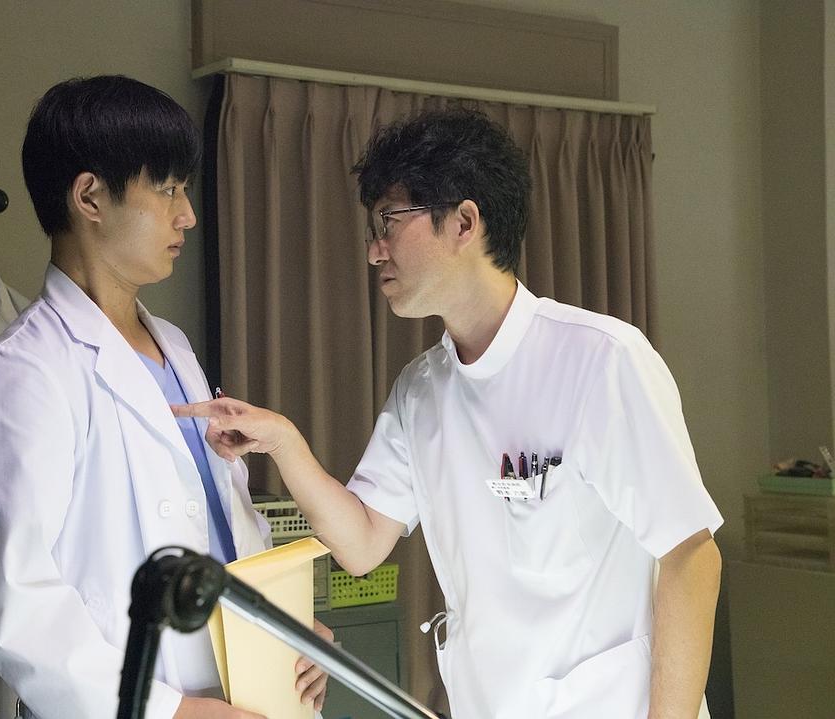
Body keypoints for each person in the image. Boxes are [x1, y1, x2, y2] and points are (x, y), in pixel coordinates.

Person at [174, 107, 723, 719]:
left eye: (389, 222)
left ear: (464, 222)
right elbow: (362, 544)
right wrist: (284, 442)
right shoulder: (421, 391)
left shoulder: (600, 360)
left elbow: (691, 555)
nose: (373, 251)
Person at [0, 75, 329, 719]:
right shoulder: (25, 375)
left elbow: (226, 524)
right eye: (168, 188)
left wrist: (290, 630)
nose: (188, 215)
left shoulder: (173, 347)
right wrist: (170, 713)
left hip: (253, 690)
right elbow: (6, 596)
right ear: (90, 197)